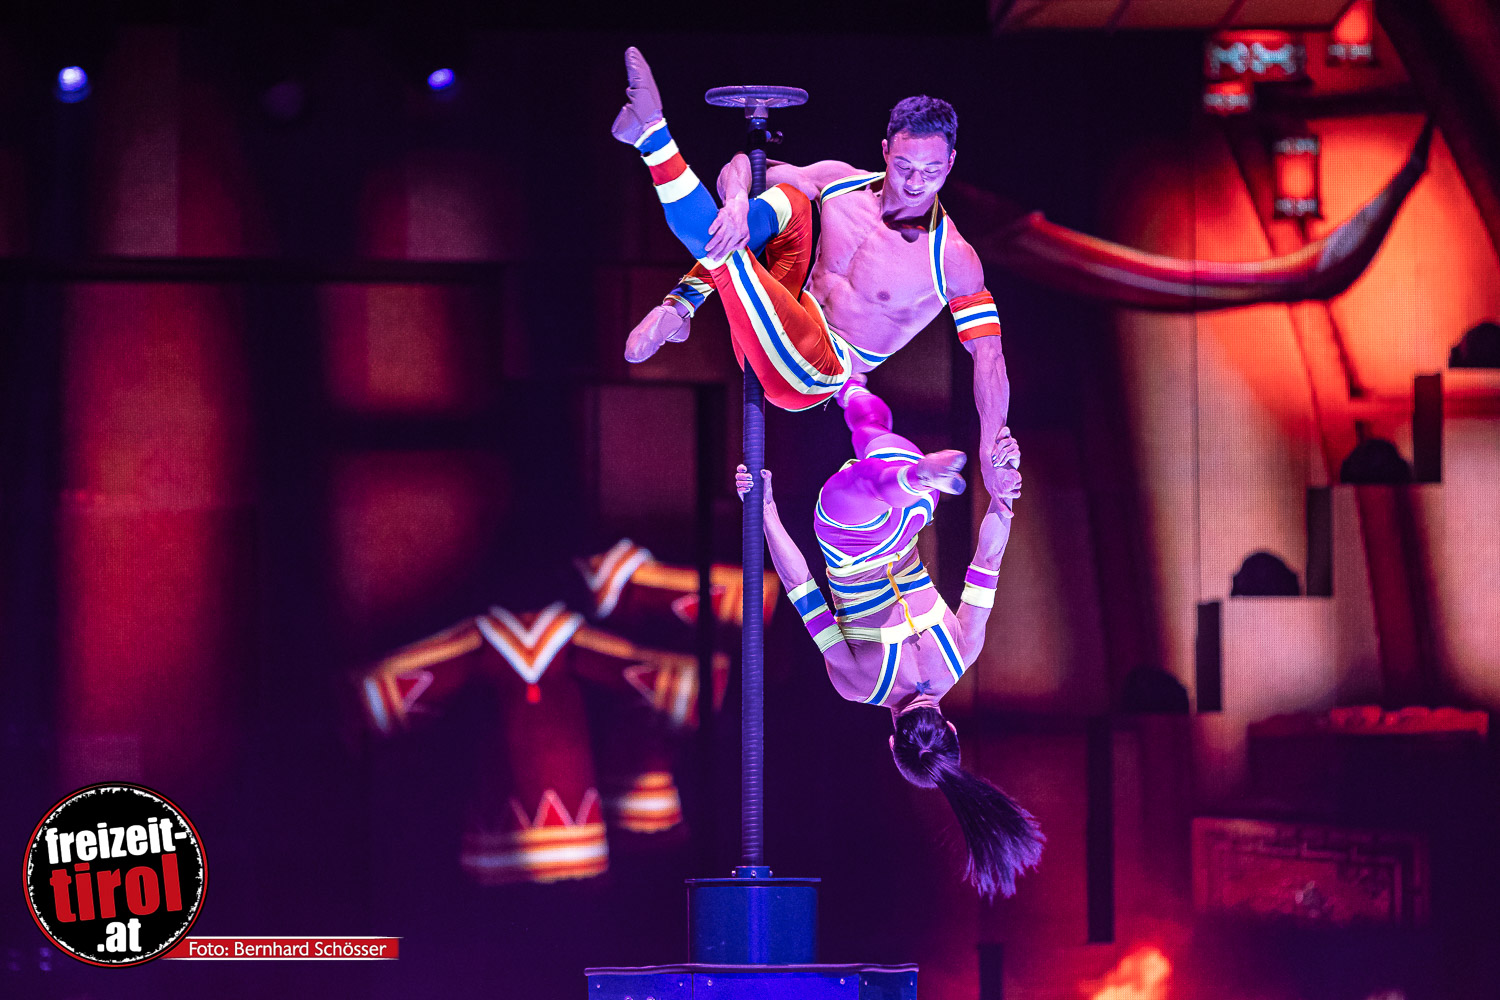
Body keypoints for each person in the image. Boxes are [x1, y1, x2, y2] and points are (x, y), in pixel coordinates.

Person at [612, 47, 1014, 500]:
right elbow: (741, 167)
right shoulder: (841, 182)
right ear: (886, 151)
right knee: (788, 202)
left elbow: (989, 357)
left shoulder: (952, 257)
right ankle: (683, 301)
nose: (915, 182)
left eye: (932, 171)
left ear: (951, 163)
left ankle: (655, 146)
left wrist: (989, 447)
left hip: (814, 370)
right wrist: (739, 201)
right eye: (904, 167)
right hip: (780, 313)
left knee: (728, 254)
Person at [735, 377, 1042, 898]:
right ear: (893, 741)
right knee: (870, 483)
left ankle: (856, 393)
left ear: (949, 726)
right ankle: (909, 474)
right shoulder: (859, 685)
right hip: (848, 537)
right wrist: (764, 511)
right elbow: (801, 588)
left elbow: (988, 555)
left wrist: (1004, 498)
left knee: (875, 433)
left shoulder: (963, 651)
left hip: (911, 520)